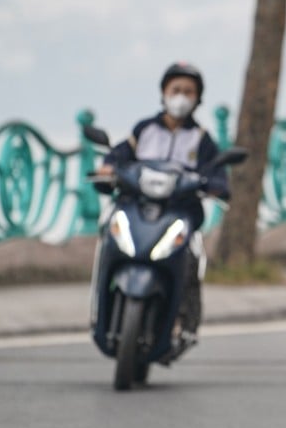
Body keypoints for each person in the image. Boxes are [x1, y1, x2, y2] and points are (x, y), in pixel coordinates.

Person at [95, 61, 231, 340]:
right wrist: (108, 168)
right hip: (138, 207)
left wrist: (216, 186)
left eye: (188, 91)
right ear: (164, 93)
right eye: (176, 89)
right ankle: (99, 308)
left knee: (191, 257)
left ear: (197, 99)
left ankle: (184, 319)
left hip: (179, 212)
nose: (180, 96)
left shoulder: (202, 139)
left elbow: (217, 173)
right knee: (108, 238)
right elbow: (118, 156)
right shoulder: (144, 130)